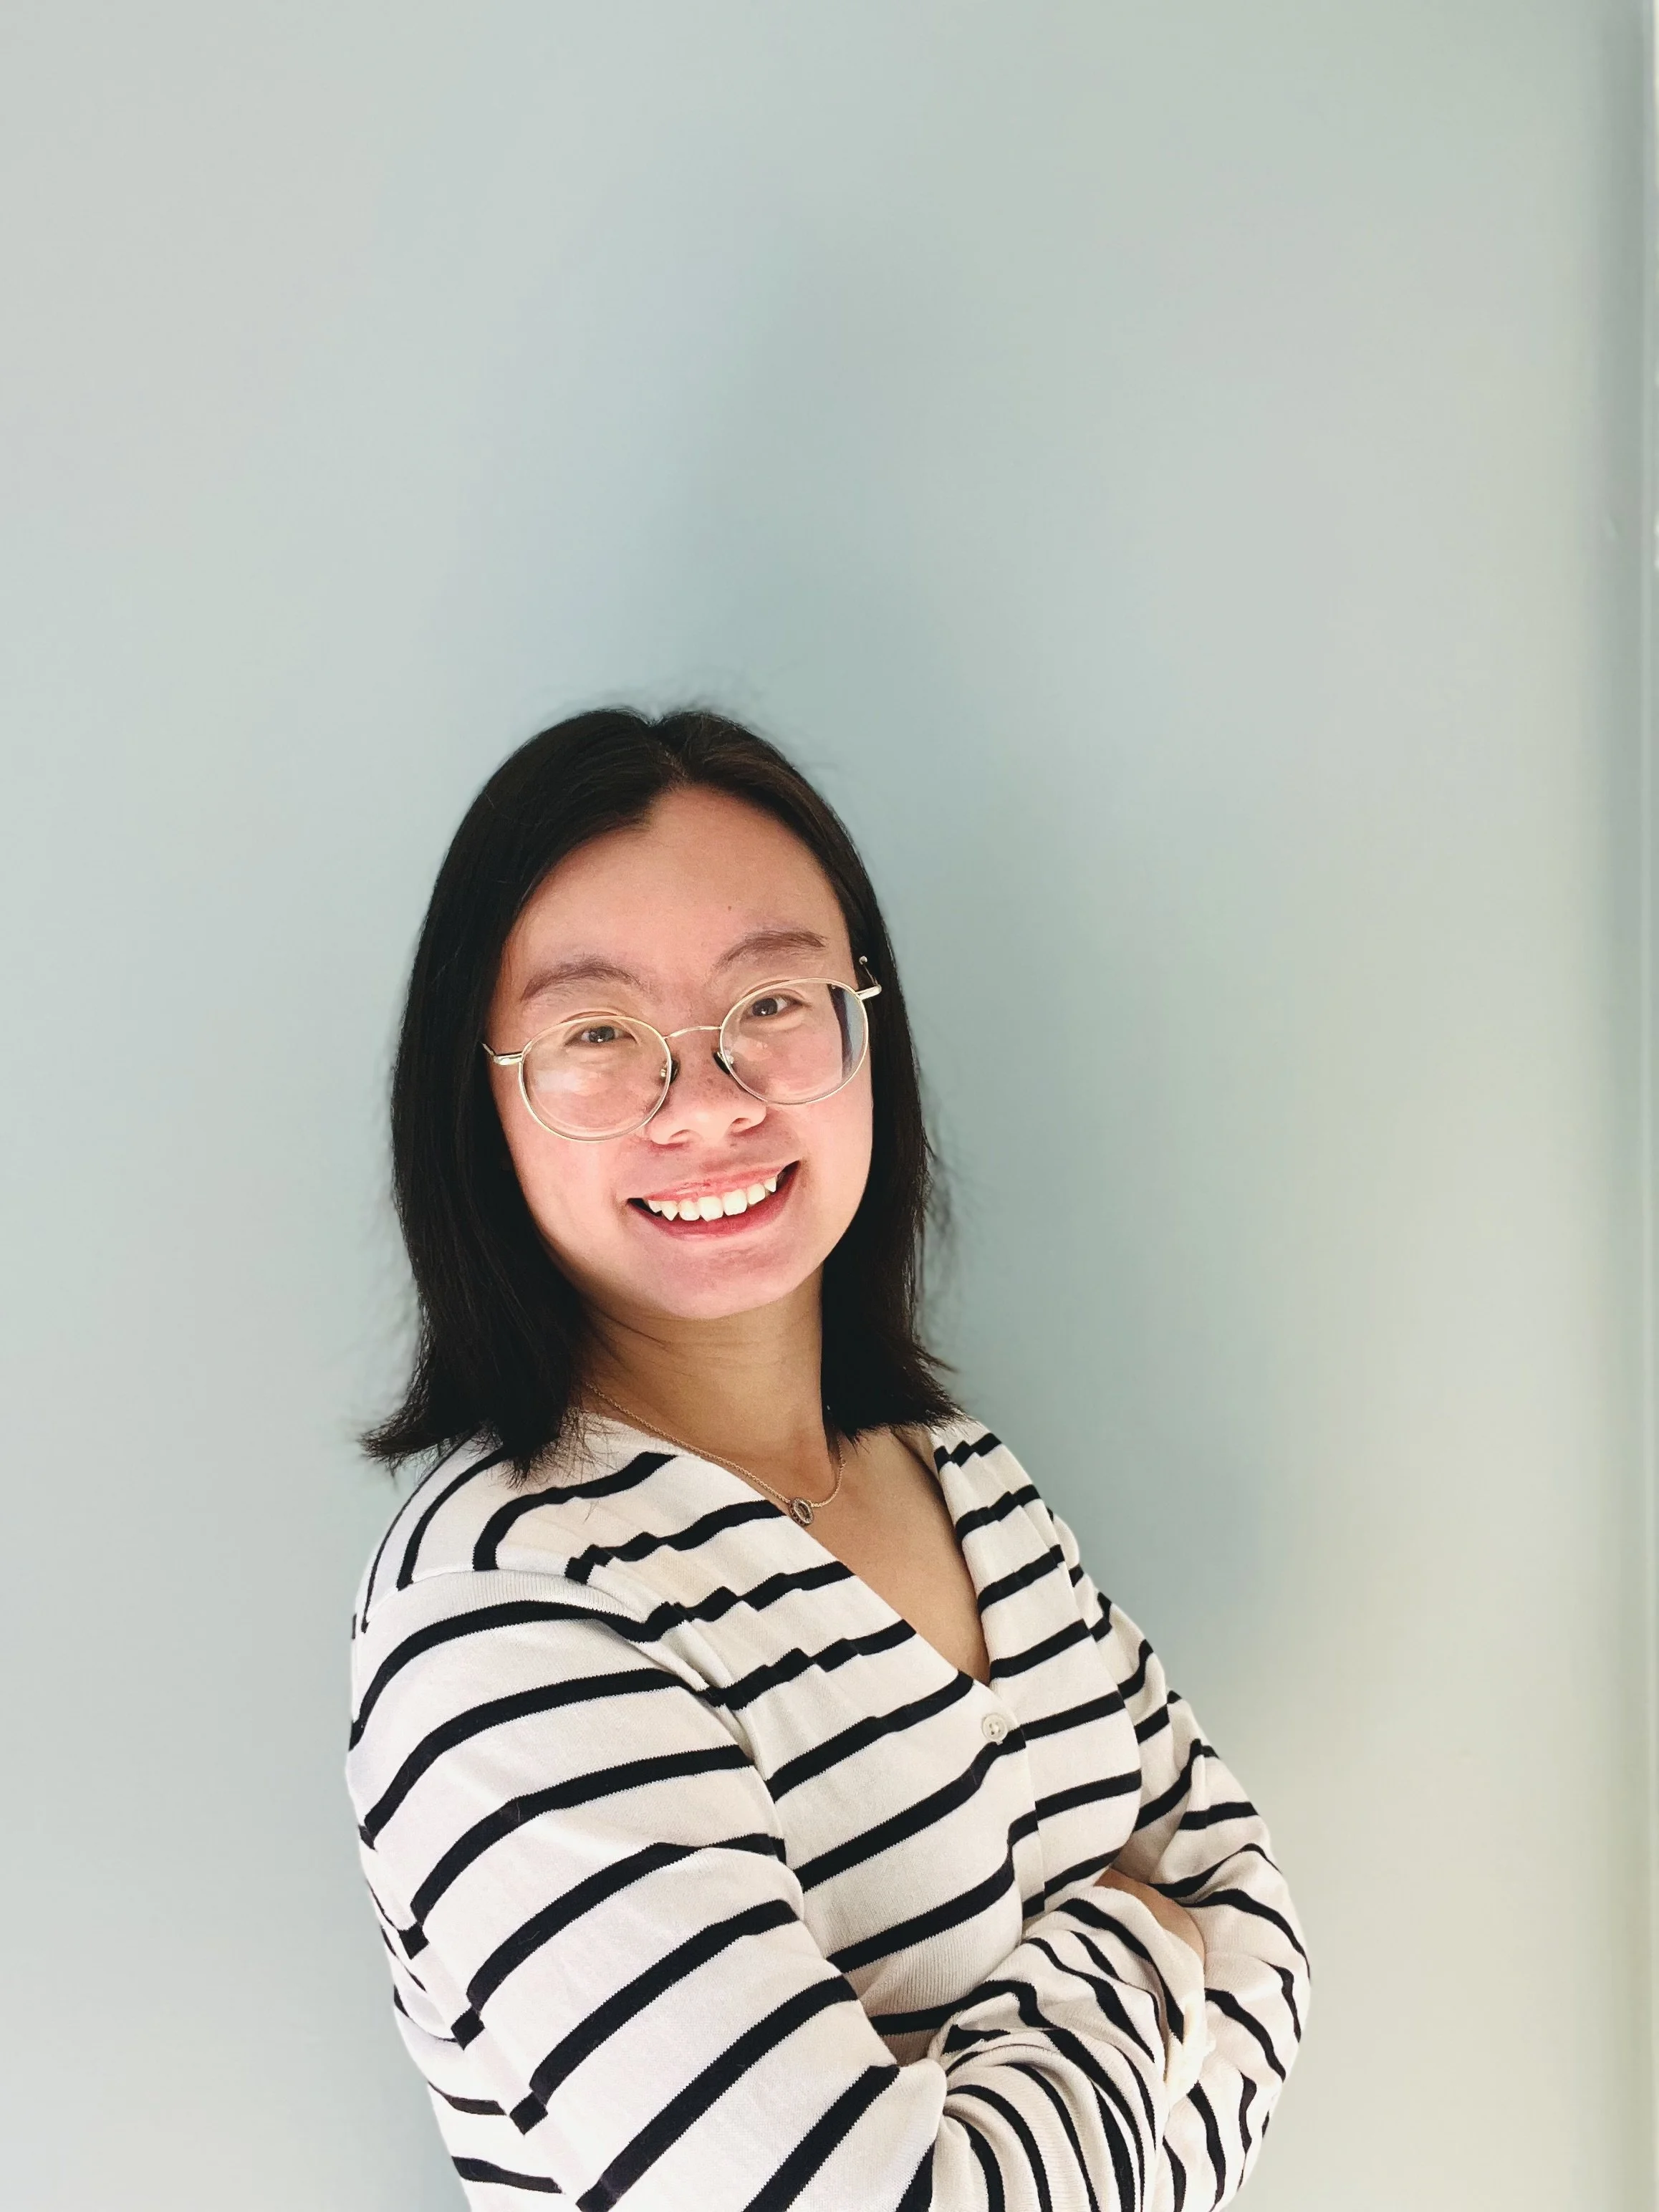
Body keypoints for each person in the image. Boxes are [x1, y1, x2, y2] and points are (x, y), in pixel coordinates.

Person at [346, 706, 1309, 2211]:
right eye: (598, 1034)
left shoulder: (973, 1485)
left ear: (869, 1029)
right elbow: (1186, 1944)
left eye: (774, 1001)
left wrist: (1013, 2087)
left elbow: (1256, 1921)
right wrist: (1140, 1945)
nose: (714, 1099)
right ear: (482, 1102)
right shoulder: (504, 1606)